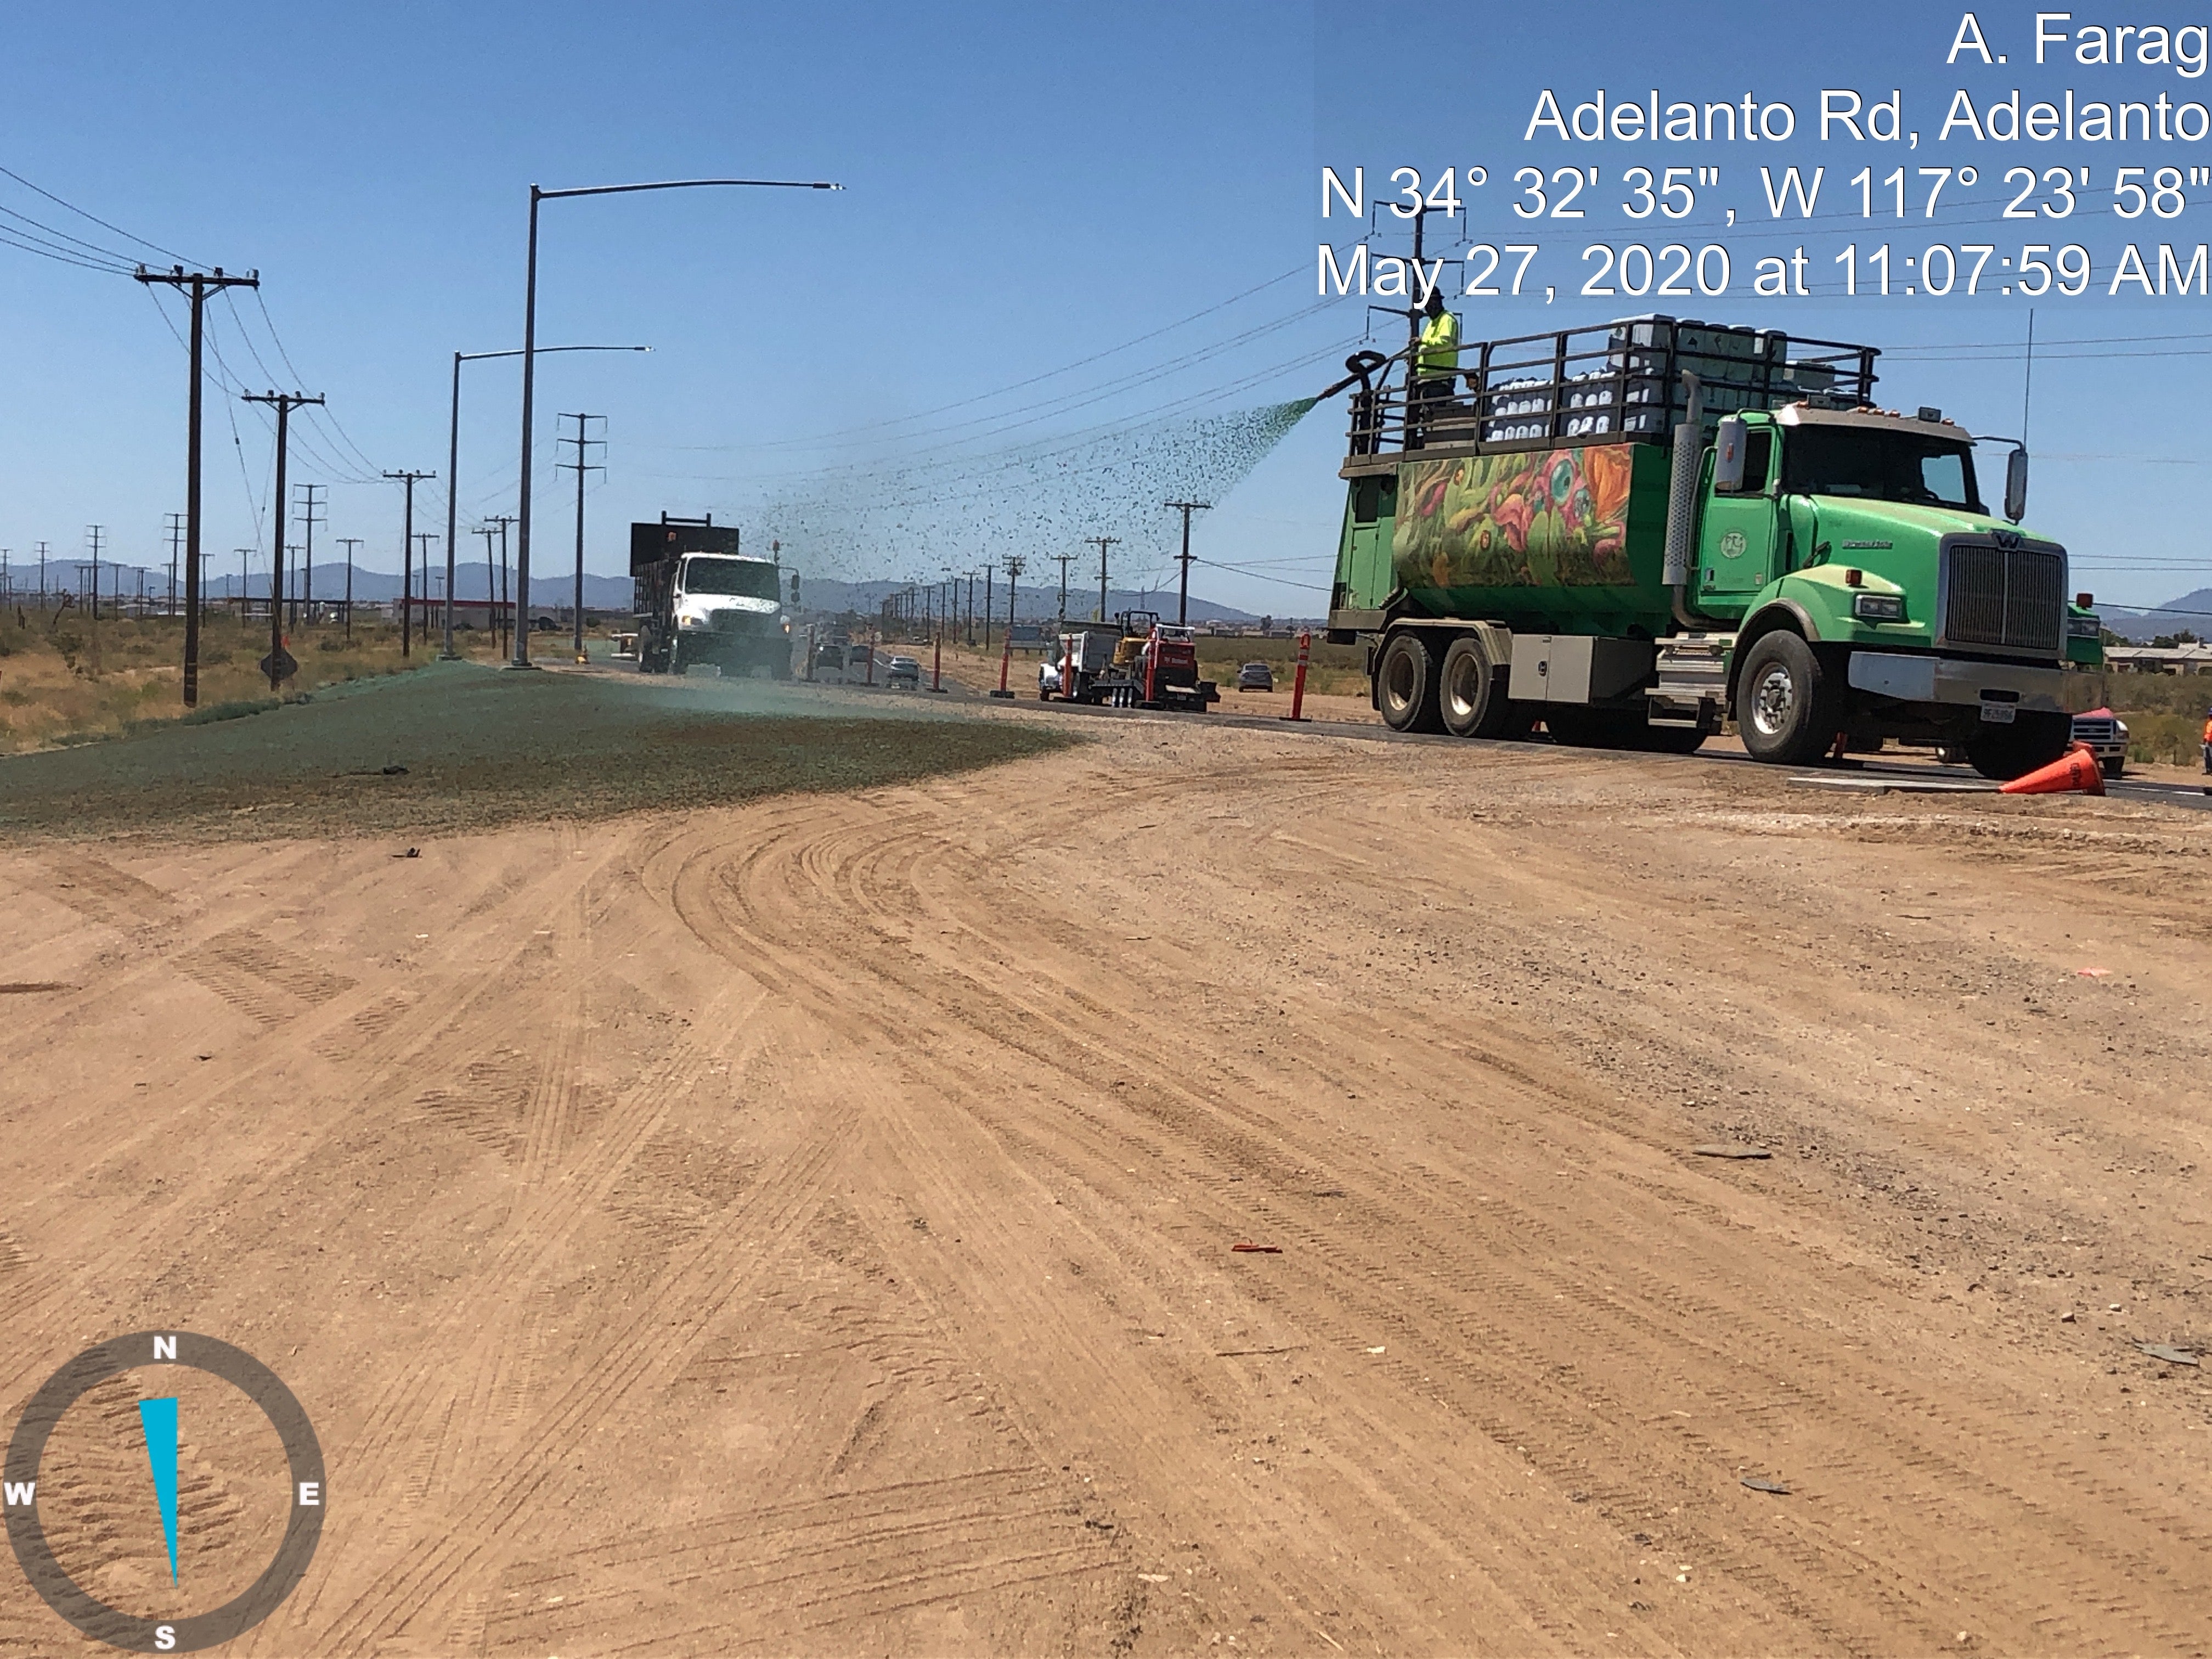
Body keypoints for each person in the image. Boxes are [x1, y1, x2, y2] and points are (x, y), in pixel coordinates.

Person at [1410, 290, 1461, 448]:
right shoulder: (1432, 323)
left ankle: (1436, 445)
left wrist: (1423, 341)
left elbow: (1445, 342)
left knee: (1436, 417)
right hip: (1428, 378)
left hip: (1440, 377)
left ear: (1438, 302)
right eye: (1426, 306)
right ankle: (1425, 444)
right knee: (1425, 418)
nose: (1429, 308)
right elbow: (1427, 347)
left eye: (1431, 304)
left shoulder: (1447, 320)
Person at [2202, 703, 2211, 774]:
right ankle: (2208, 770)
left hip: (2211, 742)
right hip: (2208, 742)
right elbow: (2207, 733)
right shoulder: (2209, 723)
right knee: (2207, 756)